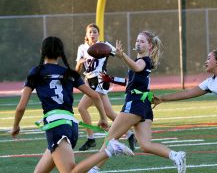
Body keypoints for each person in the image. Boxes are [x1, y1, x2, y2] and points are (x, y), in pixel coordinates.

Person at [11, 36, 133, 173]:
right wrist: (103, 118)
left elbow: (21, 107)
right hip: (71, 126)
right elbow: (94, 95)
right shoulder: (68, 73)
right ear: (60, 52)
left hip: (56, 126)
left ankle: (109, 150)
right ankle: (108, 150)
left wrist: (15, 126)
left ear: (42, 51)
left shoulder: (36, 72)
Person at [78, 30, 186, 173]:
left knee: (110, 138)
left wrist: (122, 56)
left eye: (142, 41)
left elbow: (136, 67)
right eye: (137, 41)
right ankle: (175, 156)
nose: (138, 43)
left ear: (150, 47)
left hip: (135, 103)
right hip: (144, 105)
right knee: (146, 145)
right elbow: (130, 81)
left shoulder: (143, 61)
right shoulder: (140, 62)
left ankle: (94, 169)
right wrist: (111, 79)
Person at [75, 23, 136, 151]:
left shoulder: (105, 45)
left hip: (100, 80)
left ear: (98, 34)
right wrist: (80, 62)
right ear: (86, 34)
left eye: (95, 32)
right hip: (89, 80)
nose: (92, 34)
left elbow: (119, 55)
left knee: (81, 107)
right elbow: (77, 71)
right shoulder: (82, 48)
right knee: (108, 112)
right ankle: (130, 134)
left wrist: (120, 53)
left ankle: (91, 139)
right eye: (90, 32)